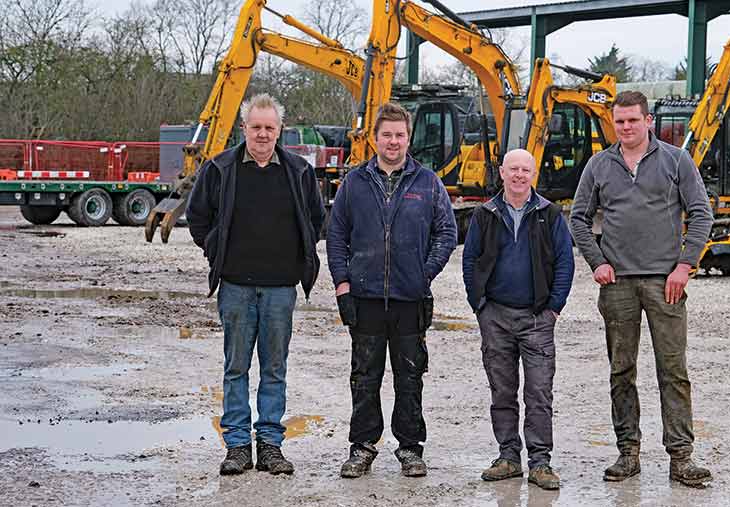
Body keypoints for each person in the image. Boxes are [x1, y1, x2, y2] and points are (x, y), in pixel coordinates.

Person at [568, 90, 714, 487]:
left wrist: (685, 265)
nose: (627, 127)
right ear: (613, 124)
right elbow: (578, 218)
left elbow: (701, 212)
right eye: (620, 121)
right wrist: (597, 262)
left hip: (665, 282)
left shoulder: (676, 160)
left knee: (673, 370)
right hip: (618, 286)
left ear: (648, 120)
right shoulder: (599, 165)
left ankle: (681, 458)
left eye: (633, 120)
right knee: (622, 369)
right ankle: (627, 453)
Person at [186, 93, 325, 476]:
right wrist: (216, 250)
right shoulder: (220, 168)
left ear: (280, 130)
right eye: (256, 127)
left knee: (275, 368)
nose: (263, 134)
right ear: (243, 128)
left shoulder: (298, 171)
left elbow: (315, 219)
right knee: (236, 367)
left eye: (270, 127)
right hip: (235, 287)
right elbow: (197, 217)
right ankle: (236, 447)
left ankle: (269, 445)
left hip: (281, 288)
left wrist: (298, 260)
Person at [326, 102, 457, 478]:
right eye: (387, 135)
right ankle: (362, 447)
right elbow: (336, 237)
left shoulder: (427, 182)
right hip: (364, 297)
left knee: (410, 376)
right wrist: (342, 283)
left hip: (409, 299)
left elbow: (447, 233)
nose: (393, 141)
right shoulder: (354, 182)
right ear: (375, 138)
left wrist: (423, 273)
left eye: (400, 135)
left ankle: (410, 448)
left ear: (408, 137)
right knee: (365, 377)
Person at [462, 149, 574, 490]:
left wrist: (553, 308)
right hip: (495, 316)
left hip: (538, 318)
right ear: (502, 172)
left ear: (534, 173)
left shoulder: (550, 214)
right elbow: (470, 261)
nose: (519, 175)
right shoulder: (485, 214)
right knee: (502, 391)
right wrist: (479, 305)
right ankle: (508, 456)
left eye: (526, 169)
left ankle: (540, 462)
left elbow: (565, 263)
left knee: (539, 393)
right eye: (513, 169)